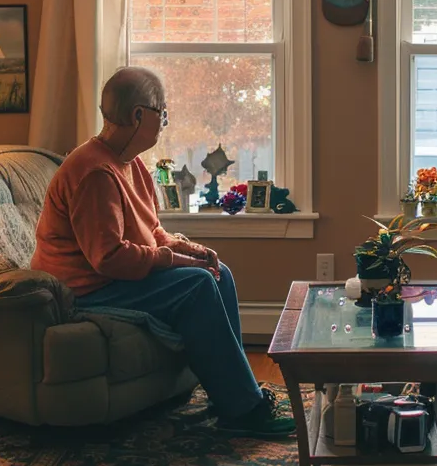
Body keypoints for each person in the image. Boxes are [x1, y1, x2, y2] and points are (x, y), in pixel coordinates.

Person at [29, 66, 294, 437]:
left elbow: (151, 232)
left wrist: (191, 250)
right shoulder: (94, 173)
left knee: (219, 273)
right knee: (197, 285)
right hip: (87, 287)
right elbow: (109, 258)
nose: (165, 121)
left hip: (112, 276)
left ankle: (233, 396)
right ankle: (243, 410)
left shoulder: (131, 164)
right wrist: (173, 260)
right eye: (162, 113)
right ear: (139, 115)